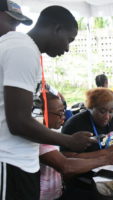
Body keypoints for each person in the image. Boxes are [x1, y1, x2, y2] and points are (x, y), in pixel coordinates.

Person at [0, 6, 94, 200]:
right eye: (69, 39)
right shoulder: (22, 49)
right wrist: (68, 140)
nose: (67, 48)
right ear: (57, 28)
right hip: (9, 161)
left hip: (21, 162)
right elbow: (18, 122)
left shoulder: (25, 49)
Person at [39, 92, 113, 200]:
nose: (64, 117)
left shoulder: (47, 135)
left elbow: (66, 159)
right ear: (41, 113)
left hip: (59, 191)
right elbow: (66, 166)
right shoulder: (38, 140)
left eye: (63, 111)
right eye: (59, 113)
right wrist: (106, 159)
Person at [61, 88, 113, 198]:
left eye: (111, 111)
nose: (107, 116)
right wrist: (105, 153)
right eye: (102, 111)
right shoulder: (74, 124)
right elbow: (67, 159)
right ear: (90, 107)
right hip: (87, 182)